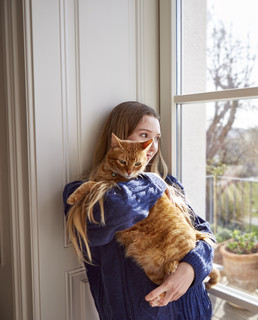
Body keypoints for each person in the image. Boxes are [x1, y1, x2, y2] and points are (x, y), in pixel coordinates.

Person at [63, 101, 215, 320]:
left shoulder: (170, 183)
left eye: (156, 138)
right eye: (144, 135)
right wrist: (152, 181)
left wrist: (190, 269)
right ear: (118, 140)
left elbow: (205, 233)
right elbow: (116, 212)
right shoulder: (80, 192)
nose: (152, 145)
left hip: (194, 308)